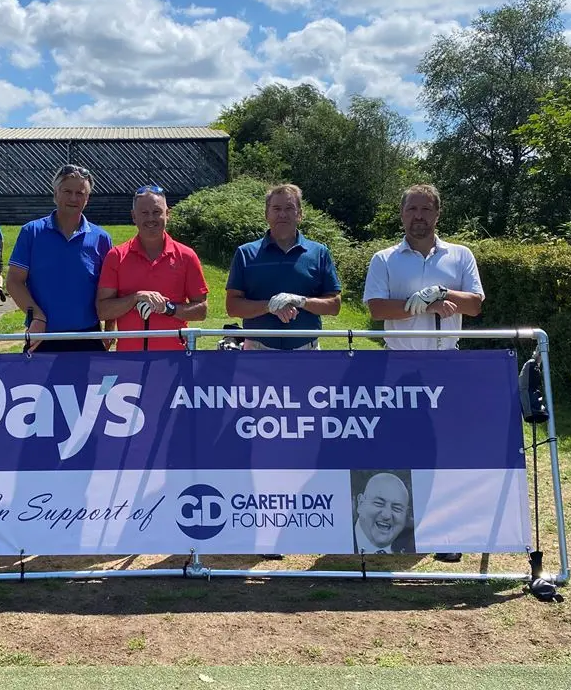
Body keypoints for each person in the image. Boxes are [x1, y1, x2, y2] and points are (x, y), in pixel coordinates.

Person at [363, 183, 485, 562]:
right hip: (400, 366)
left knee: (449, 452)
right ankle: (405, 530)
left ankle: (448, 534)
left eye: (426, 210)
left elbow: (476, 304)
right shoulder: (384, 258)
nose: (419, 216)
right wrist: (416, 306)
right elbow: (377, 309)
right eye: (412, 209)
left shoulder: (460, 255)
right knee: (404, 449)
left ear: (437, 214)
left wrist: (442, 293)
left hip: (448, 363)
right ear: (401, 215)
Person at [7, 164, 113, 352]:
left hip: (88, 337)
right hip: (43, 335)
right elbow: (14, 282)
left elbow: (112, 290)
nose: (73, 198)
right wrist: (38, 316)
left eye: (80, 193)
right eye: (67, 191)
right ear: (55, 193)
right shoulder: (31, 232)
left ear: (87, 199)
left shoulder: (101, 238)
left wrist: (110, 330)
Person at [225, 183, 342, 350]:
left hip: (306, 351)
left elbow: (334, 305)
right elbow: (233, 307)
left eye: (289, 208)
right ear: (267, 214)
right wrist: (270, 306)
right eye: (276, 208)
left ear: (300, 214)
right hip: (258, 350)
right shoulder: (245, 253)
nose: (282, 214)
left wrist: (300, 301)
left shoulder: (319, 253)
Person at [96, 185, 208, 351]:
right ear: (134, 216)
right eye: (144, 213)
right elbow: (103, 311)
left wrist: (168, 308)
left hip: (174, 359)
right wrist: (136, 298)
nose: (151, 218)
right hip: (129, 358)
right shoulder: (116, 256)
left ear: (167, 214)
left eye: (156, 212)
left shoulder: (187, 256)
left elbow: (201, 310)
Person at [352, 472, 415, 554]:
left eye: (396, 508)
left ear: (406, 514)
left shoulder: (415, 546)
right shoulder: (336, 541)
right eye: (379, 503)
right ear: (361, 503)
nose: (386, 515)